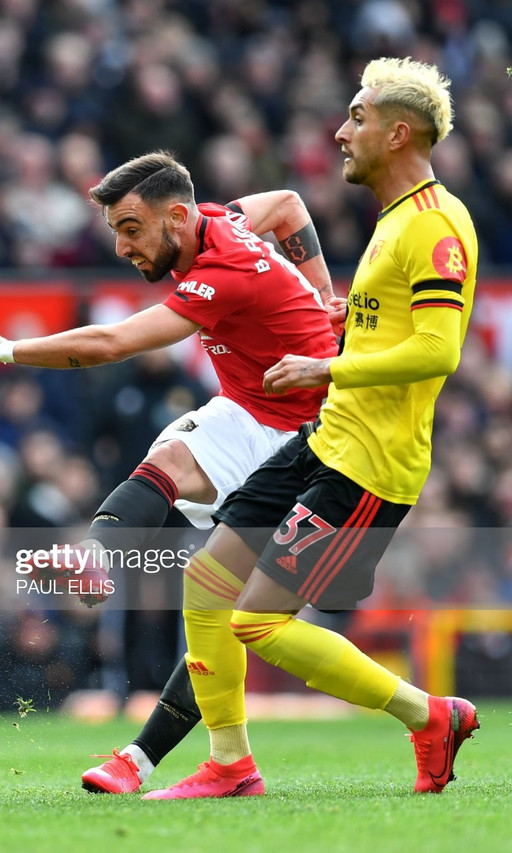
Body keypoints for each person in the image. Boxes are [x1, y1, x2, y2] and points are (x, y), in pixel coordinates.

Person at [144, 56, 479, 799]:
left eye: (356, 118)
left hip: (369, 464)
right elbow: (392, 328)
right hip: (326, 440)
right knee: (207, 582)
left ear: (398, 133)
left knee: (257, 622)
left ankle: (430, 714)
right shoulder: (395, 222)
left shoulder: (435, 226)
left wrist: (326, 368)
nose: (340, 131)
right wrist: (345, 329)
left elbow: (439, 348)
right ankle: (230, 765)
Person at [0, 150, 342, 793]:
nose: (120, 246)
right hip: (250, 410)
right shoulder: (221, 219)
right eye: (115, 230)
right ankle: (95, 557)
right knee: (166, 464)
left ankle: (425, 714)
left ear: (176, 216)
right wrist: (321, 293)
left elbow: (110, 344)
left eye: (131, 228)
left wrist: (6, 348)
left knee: (226, 608)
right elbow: (289, 206)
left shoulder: (225, 271)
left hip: (311, 439)